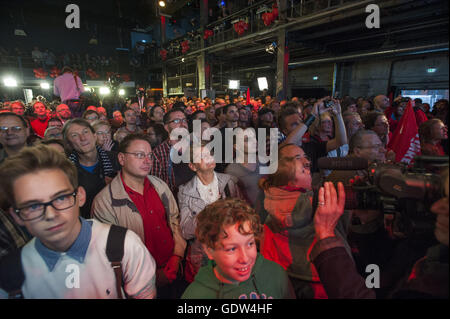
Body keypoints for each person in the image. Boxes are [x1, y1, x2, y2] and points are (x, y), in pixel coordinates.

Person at [0, 144, 157, 298]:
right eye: (33, 206)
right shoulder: (10, 275)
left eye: (61, 198)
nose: (50, 214)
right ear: (17, 216)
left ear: (80, 196)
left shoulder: (124, 245)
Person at [310, 170, 449, 299]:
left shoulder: (437, 279)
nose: (437, 207)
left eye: (448, 201)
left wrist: (326, 238)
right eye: (442, 197)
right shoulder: (432, 250)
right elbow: (375, 282)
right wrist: (368, 226)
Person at [91, 134, 186, 298]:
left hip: (174, 269)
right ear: (121, 158)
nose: (148, 160)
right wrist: (150, 275)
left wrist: (176, 256)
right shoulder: (104, 201)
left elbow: (175, 221)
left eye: (149, 155)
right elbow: (110, 253)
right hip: (137, 284)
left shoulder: (159, 185)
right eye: (140, 155)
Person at [259, 143, 352, 298]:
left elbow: (268, 258)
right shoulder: (321, 204)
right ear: (284, 170)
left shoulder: (270, 209)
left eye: (305, 157)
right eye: (298, 158)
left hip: (289, 283)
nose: (306, 161)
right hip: (326, 281)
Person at [181, 198, 295, 299]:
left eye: (250, 244)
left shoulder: (276, 274)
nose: (245, 258)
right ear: (209, 250)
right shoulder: (196, 295)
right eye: (232, 249)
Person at [178, 141, 242, 282]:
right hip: (204, 256)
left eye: (210, 154)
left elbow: (242, 214)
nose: (208, 158)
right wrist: (210, 213)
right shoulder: (185, 191)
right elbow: (185, 230)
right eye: (201, 156)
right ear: (192, 166)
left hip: (230, 249)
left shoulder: (229, 182)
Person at [62, 119, 119, 219]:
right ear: (69, 144)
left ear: (94, 135)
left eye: (85, 132)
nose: (83, 138)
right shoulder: (66, 171)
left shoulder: (115, 160)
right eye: (74, 135)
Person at [150, 108, 195, 196]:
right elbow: (157, 187)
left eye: (184, 120)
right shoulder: (158, 153)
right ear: (166, 127)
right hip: (174, 202)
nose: (182, 124)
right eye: (177, 121)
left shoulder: (197, 146)